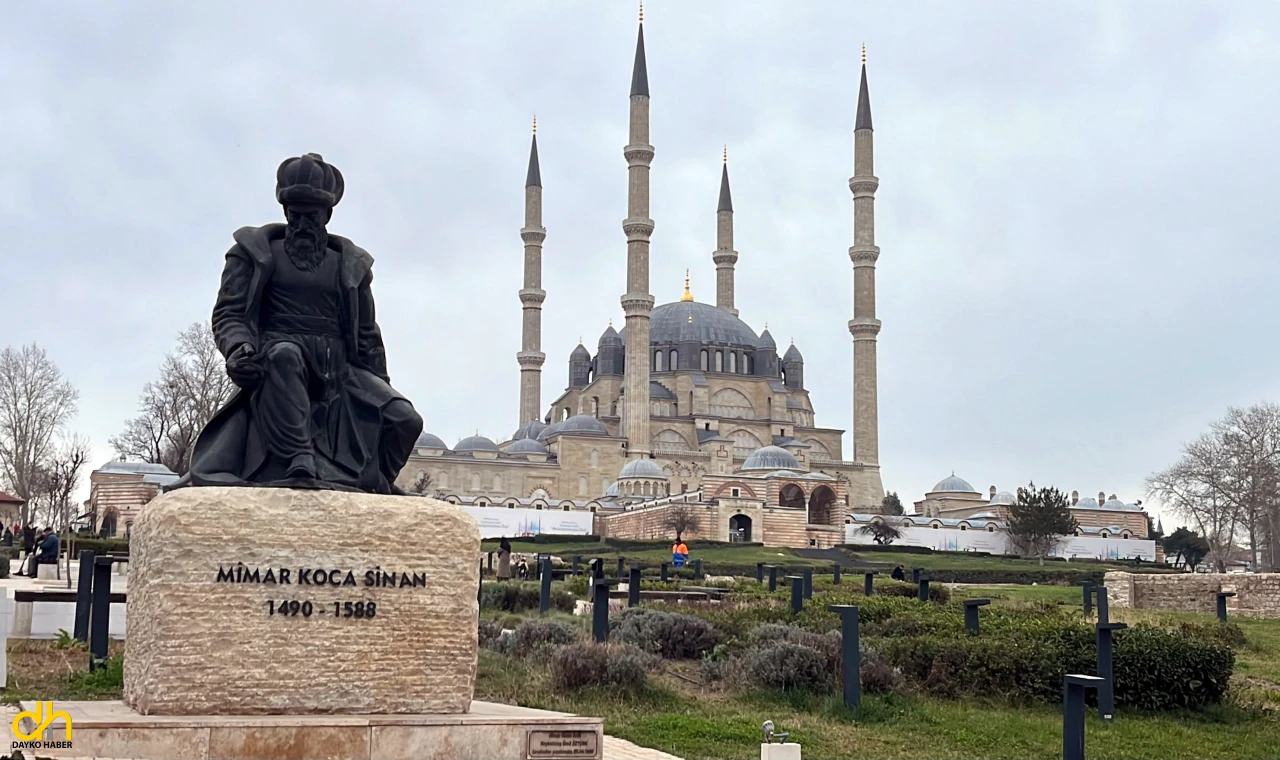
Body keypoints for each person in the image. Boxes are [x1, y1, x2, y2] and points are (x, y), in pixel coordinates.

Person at [176, 153, 423, 494]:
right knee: (284, 356)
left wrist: (380, 388)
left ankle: (375, 479)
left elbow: (367, 336)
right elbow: (229, 314)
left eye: (312, 216)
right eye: (295, 215)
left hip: (340, 370)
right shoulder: (253, 253)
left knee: (405, 419)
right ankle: (299, 458)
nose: (303, 224)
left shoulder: (351, 267)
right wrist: (238, 349)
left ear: (328, 215)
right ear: (285, 212)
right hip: (280, 360)